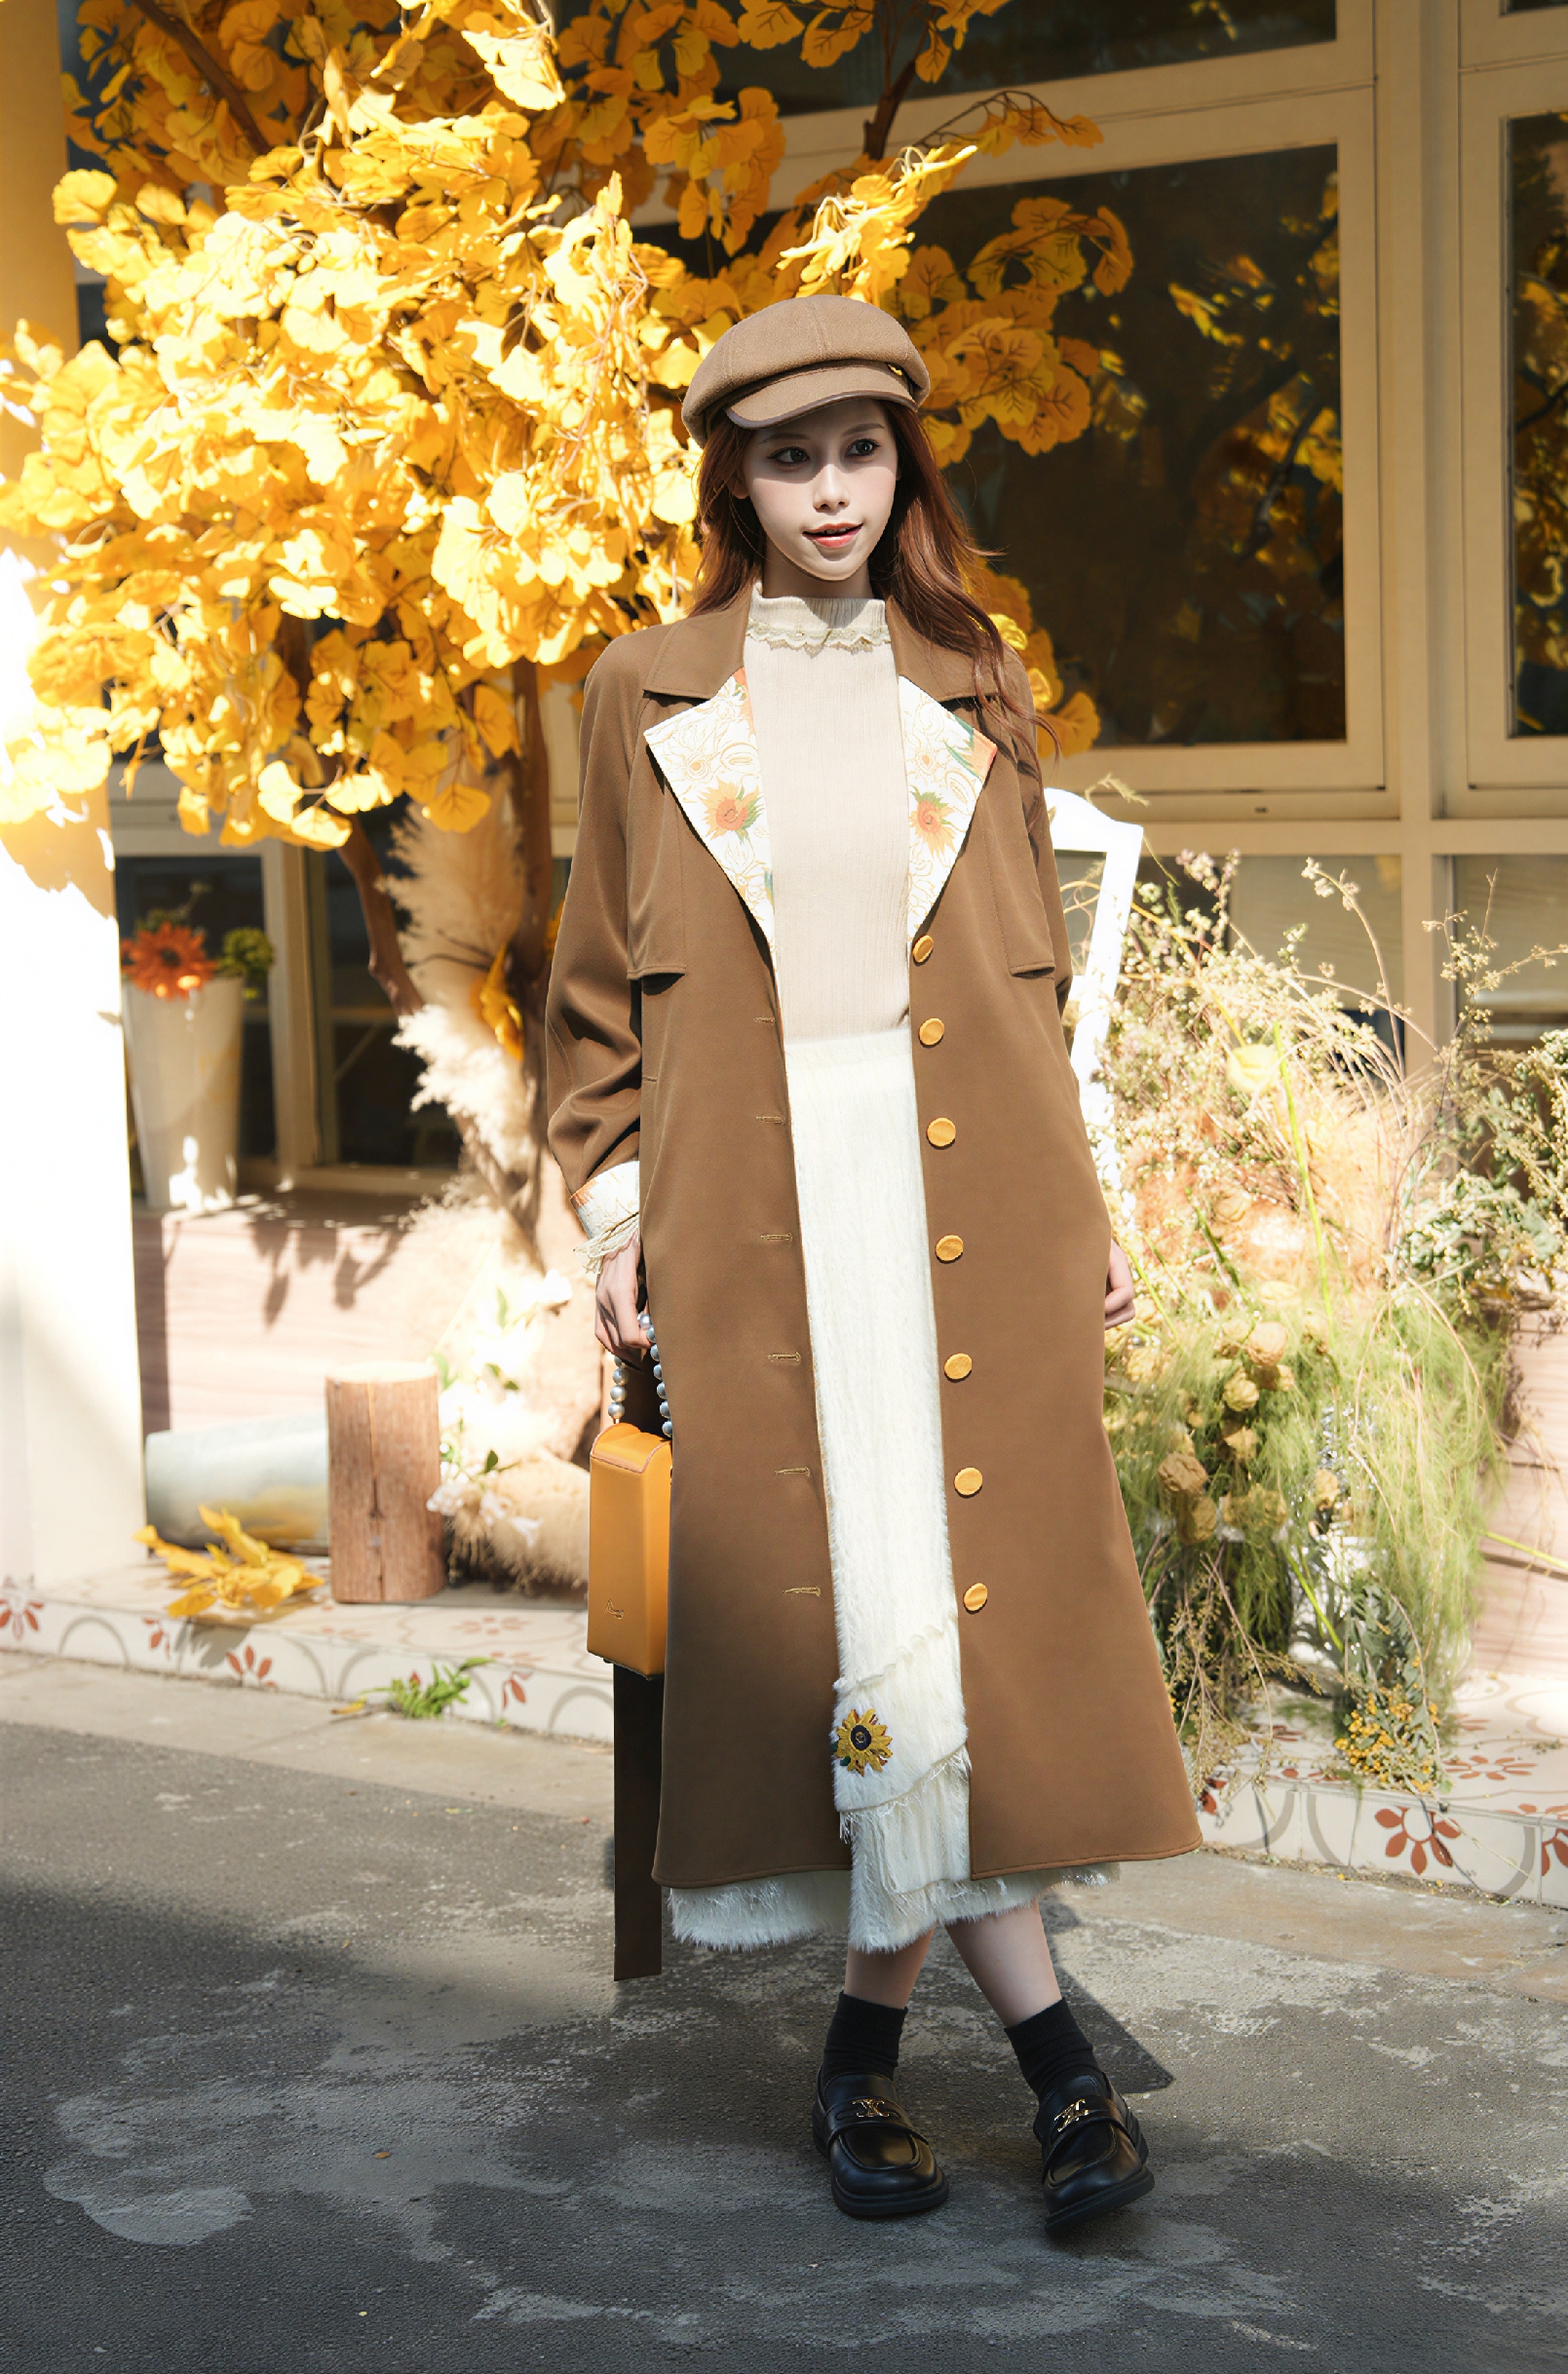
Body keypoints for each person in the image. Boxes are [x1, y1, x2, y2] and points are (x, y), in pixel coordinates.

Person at [546, 294, 1200, 2231]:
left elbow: (1029, 982)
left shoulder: (974, 676)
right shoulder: (644, 692)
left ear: (902, 466)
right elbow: (593, 997)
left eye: (859, 452)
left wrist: (1087, 1200)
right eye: (788, 458)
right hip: (760, 1211)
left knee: (944, 1628)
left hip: (965, 1203)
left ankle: (885, 2070)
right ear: (734, 482)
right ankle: (1045, 2075)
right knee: (862, 1633)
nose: (829, 491)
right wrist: (613, 1217)